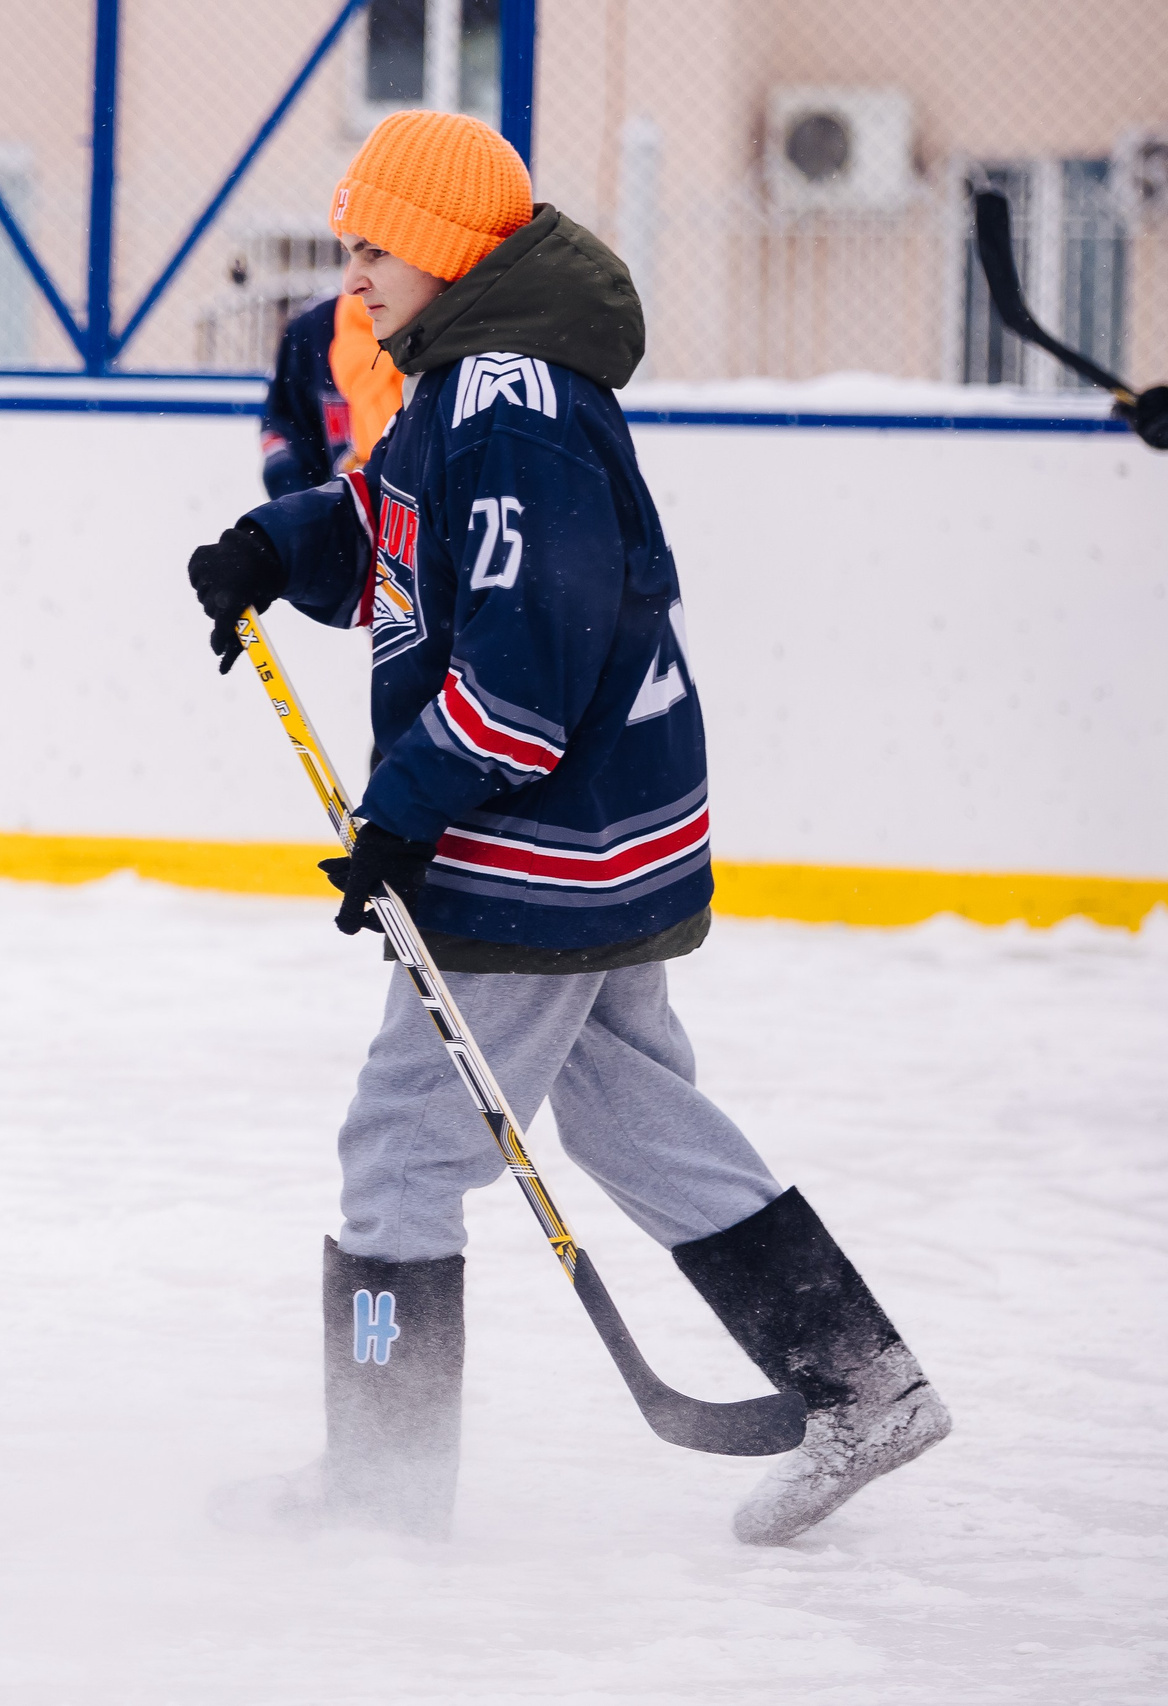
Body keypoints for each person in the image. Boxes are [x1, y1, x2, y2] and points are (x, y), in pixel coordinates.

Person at [184, 110, 948, 1546]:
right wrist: (277, 546)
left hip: (531, 851)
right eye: (347, 247)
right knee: (635, 1112)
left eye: (376, 247)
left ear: (455, 248)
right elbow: (399, 526)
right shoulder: (469, 382)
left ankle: (380, 1477)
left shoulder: (506, 401)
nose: (353, 275)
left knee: (400, 1151)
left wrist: (404, 819)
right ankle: (862, 1380)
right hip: (601, 842)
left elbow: (527, 668)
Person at [259, 289, 402, 497]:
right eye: (353, 256)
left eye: (378, 254)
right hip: (338, 520)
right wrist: (304, 512)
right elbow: (285, 429)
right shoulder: (311, 331)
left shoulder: (447, 340)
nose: (354, 279)